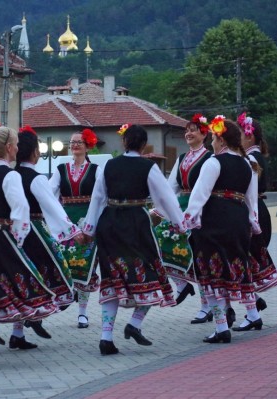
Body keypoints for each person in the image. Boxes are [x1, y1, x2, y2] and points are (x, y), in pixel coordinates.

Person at [82, 123, 186, 355]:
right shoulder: (148, 167)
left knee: (112, 277)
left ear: (124, 142)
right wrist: (180, 224)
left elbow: (97, 199)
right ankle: (135, 323)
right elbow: (166, 198)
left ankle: (106, 337)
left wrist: (89, 229)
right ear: (142, 145)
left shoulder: (107, 165)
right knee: (151, 274)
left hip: (109, 225)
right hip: (136, 224)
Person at [0, 126, 59, 369]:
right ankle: (13, 332)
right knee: (23, 286)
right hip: (2, 238)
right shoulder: (10, 174)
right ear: (8, 147)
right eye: (15, 144)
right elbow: (20, 210)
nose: (17, 148)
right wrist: (20, 237)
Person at [184, 116, 262, 344]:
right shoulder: (248, 165)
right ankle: (252, 315)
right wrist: (252, 223)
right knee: (237, 267)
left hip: (214, 221)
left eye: (214, 139)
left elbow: (199, 195)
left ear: (221, 139)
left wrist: (188, 220)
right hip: (238, 221)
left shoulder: (213, 163)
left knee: (212, 273)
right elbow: (251, 201)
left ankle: (221, 327)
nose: (212, 144)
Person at [15, 125, 83, 339]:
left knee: (22, 280)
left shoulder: (10, 175)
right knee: (58, 274)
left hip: (12, 233)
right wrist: (73, 231)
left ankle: (20, 332)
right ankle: (33, 319)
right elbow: (53, 207)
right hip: (34, 232)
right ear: (34, 152)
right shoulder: (36, 178)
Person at [160, 113, 213, 324]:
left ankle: (207, 306)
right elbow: (170, 187)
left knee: (201, 258)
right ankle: (181, 284)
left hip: (202, 209)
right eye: (186, 130)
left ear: (204, 134)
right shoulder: (182, 159)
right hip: (181, 208)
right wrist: (160, 209)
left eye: (193, 130)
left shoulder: (210, 158)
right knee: (158, 240)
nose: (188, 133)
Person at [234, 113, 277, 329]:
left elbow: (247, 190)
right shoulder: (254, 156)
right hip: (257, 209)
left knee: (246, 263)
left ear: (250, 138)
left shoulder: (251, 159)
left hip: (252, 210)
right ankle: (253, 307)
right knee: (246, 262)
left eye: (240, 135)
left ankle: (252, 313)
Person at [49, 128, 102, 329]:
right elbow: (49, 194)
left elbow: (100, 198)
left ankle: (82, 312)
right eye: (72, 142)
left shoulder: (96, 169)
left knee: (84, 266)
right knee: (64, 263)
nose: (75, 145)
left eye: (79, 141)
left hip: (88, 222)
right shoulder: (61, 169)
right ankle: (64, 297)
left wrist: (92, 224)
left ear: (88, 145)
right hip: (66, 222)